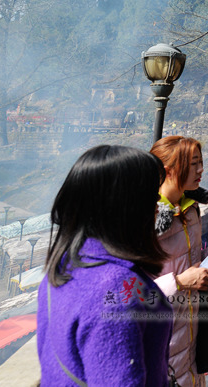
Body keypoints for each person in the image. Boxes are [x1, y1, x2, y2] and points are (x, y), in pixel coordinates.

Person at [37, 145, 172, 386]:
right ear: (126, 208)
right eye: (152, 198)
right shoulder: (118, 289)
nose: (157, 208)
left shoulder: (62, 268)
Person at [151, 136, 208, 387]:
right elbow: (129, 292)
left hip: (192, 329)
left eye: (200, 163)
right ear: (168, 170)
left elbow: (189, 262)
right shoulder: (147, 220)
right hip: (162, 336)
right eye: (193, 164)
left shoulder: (189, 208)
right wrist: (179, 282)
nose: (200, 170)